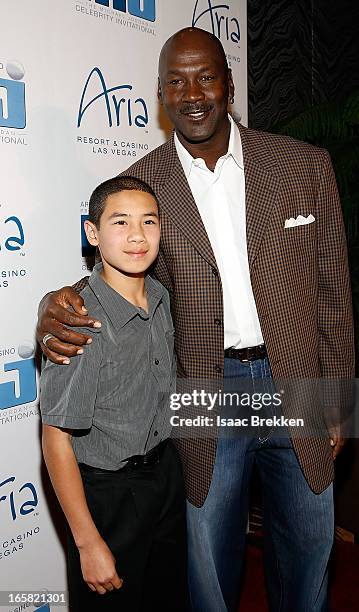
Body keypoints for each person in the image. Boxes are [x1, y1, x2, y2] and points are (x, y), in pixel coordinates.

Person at [37, 27, 354, 612]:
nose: (193, 93)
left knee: (308, 551)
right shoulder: (144, 187)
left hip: (299, 387)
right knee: (208, 566)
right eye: (175, 82)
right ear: (160, 96)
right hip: (203, 394)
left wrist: (338, 400)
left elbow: (332, 292)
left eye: (205, 76)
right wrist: (48, 311)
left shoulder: (301, 166)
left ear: (228, 84)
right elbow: (109, 271)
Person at [40, 176, 187, 612]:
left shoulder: (160, 295)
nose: (138, 235)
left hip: (164, 476)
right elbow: (55, 438)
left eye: (149, 221)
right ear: (93, 233)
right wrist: (87, 542)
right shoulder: (78, 321)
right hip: (108, 496)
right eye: (120, 222)